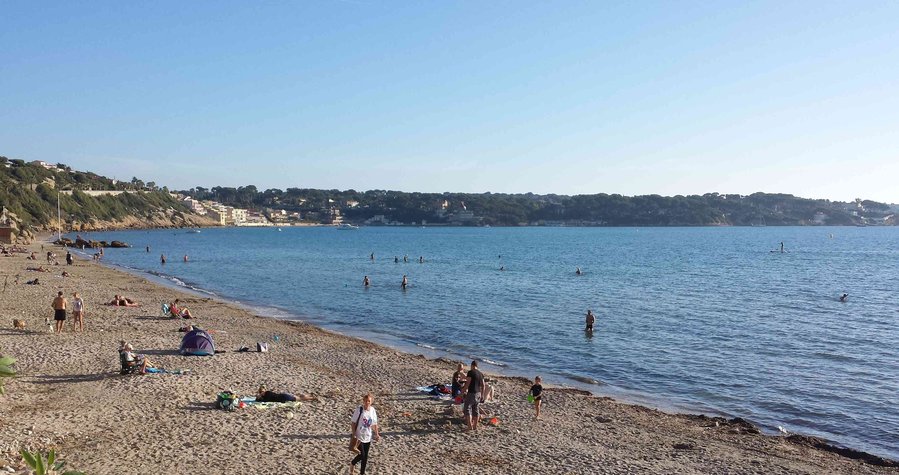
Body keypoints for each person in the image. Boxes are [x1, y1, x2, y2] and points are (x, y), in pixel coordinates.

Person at [349, 393, 380, 475]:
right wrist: (354, 433)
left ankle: (362, 473)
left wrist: (377, 434)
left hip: (368, 436)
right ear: (363, 401)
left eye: (369, 401)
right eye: (366, 401)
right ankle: (352, 463)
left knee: (365, 457)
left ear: (371, 402)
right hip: (359, 436)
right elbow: (353, 423)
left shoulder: (372, 410)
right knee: (362, 454)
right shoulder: (359, 409)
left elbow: (374, 424)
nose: (367, 403)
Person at [460, 360, 486, 431]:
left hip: (471, 393)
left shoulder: (470, 372)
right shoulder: (481, 374)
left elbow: (467, 383)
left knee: (467, 409)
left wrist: (462, 391)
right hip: (478, 393)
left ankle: (469, 426)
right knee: (476, 410)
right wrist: (482, 395)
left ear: (472, 365)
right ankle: (475, 426)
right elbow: (483, 385)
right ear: (477, 366)